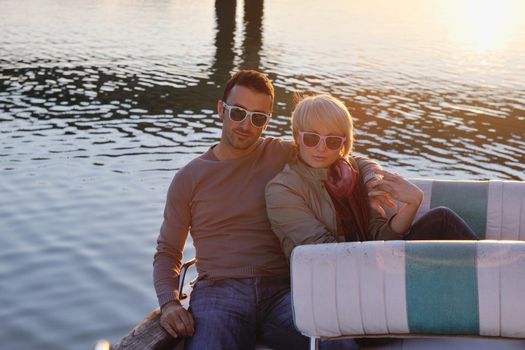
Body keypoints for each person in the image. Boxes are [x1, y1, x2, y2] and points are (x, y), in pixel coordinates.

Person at [153, 71, 383, 350]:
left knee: (340, 345)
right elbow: (168, 252)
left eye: (258, 118)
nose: (246, 124)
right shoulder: (189, 178)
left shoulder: (281, 153)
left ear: (267, 122)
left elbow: (346, 156)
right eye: (237, 112)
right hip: (220, 293)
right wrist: (169, 303)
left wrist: (373, 179)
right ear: (220, 110)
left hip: (283, 292)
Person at [265, 94, 478, 262]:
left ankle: (495, 285)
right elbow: (324, 252)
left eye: (331, 141)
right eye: (311, 138)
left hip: (372, 263)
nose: (320, 147)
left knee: (441, 219)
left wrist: (412, 204)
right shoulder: (282, 190)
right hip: (331, 279)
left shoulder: (350, 175)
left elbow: (381, 237)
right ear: (297, 137)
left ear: (343, 144)